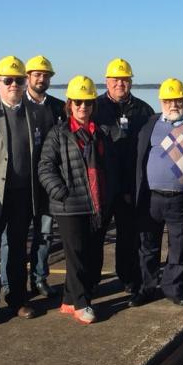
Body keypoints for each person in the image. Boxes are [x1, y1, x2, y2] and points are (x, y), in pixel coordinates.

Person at [0, 56, 55, 325]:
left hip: (23, 194)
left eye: (18, 80)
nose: (14, 85)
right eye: (8, 80)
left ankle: (18, 299)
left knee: (17, 249)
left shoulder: (36, 112)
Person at [131, 79, 183, 306]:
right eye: (168, 100)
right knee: (147, 246)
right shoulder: (149, 124)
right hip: (151, 197)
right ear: (161, 101)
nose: (173, 104)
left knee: (179, 247)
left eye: (178, 99)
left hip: (182, 199)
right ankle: (146, 288)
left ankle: (173, 288)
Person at [38, 76, 113, 325]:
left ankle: (69, 300)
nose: (83, 107)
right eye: (78, 102)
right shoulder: (59, 134)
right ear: (70, 104)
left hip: (95, 203)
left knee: (92, 255)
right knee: (77, 255)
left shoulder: (100, 134)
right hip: (70, 206)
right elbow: (45, 166)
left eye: (88, 102)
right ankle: (82, 303)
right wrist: (62, 192)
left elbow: (107, 167)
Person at [0, 55, 65, 299]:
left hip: (47, 184)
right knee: (11, 237)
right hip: (19, 185)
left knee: (44, 234)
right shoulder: (16, 105)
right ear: (27, 77)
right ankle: (8, 284)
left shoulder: (58, 107)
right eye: (37, 74)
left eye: (45, 75)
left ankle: (39, 278)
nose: (41, 79)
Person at [93, 58, 154, 294]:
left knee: (129, 236)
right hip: (103, 185)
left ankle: (128, 277)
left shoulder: (143, 110)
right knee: (96, 236)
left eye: (125, 79)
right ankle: (92, 281)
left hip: (131, 185)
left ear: (131, 82)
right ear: (107, 81)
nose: (120, 83)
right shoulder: (95, 108)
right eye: (116, 79)